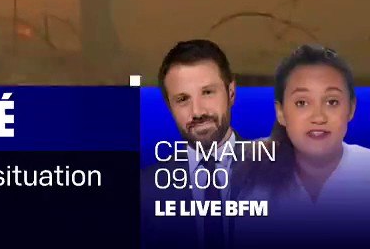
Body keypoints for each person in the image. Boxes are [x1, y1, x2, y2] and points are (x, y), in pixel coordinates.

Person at [232, 45, 370, 245]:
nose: (318, 117)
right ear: (280, 113)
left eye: (332, 102)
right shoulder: (245, 173)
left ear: (351, 109)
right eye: (302, 103)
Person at [142, 39, 252, 249]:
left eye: (208, 92)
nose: (198, 111)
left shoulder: (281, 175)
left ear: (231, 93)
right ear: (169, 106)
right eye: (183, 99)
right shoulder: (146, 191)